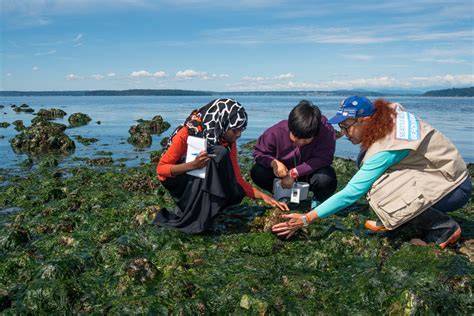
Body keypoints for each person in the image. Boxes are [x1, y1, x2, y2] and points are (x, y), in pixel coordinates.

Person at [272, 96, 471, 249]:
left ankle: (443, 228)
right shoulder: (387, 116)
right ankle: (399, 219)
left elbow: (351, 194)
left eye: (345, 127)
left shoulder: (387, 146)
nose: (343, 132)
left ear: (365, 121)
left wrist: (306, 218)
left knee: (378, 189)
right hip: (442, 171)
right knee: (374, 176)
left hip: (452, 188)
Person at [155, 98, 288, 234]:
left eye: (241, 130)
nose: (238, 135)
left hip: (196, 175)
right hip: (177, 181)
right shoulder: (186, 133)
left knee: (223, 162)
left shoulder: (227, 141)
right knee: (219, 152)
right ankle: (192, 210)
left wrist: (265, 197)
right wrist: (192, 165)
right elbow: (161, 170)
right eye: (235, 130)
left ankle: (204, 207)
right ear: (222, 122)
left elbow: (237, 179)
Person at [250, 100, 337, 206]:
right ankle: (279, 193)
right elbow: (258, 153)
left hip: (310, 173)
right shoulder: (276, 132)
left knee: (326, 179)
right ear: (290, 127)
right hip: (282, 175)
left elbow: (325, 158)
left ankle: (318, 200)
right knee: (258, 171)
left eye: (306, 139)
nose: (300, 142)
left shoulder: (325, 130)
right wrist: (274, 163)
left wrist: (295, 172)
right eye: (296, 137)